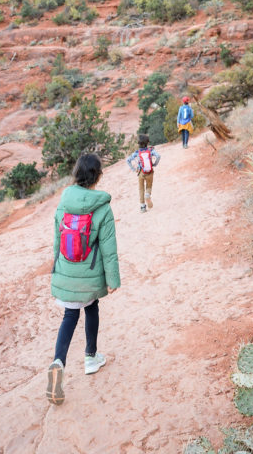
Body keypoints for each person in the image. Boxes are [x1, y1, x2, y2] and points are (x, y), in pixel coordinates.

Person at [46, 152, 120, 405]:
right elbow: (108, 249)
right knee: (91, 307)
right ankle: (91, 357)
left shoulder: (63, 202)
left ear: (76, 173)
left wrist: (57, 271)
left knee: (69, 316)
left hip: (67, 269)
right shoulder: (103, 207)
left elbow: (57, 240)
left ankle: (58, 363)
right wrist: (113, 280)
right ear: (98, 176)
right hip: (89, 273)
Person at [126, 132, 161, 212]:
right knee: (149, 186)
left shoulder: (137, 153)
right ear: (147, 143)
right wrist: (154, 164)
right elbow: (158, 156)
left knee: (141, 189)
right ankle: (147, 195)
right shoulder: (150, 150)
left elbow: (128, 160)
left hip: (141, 172)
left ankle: (142, 207)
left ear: (138, 143)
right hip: (150, 172)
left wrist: (134, 169)